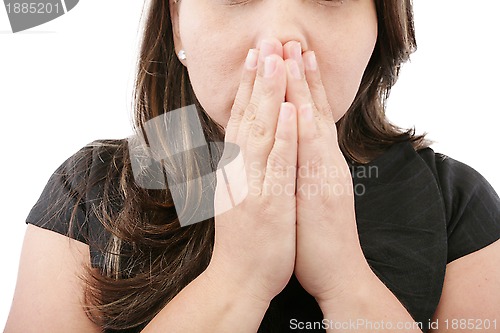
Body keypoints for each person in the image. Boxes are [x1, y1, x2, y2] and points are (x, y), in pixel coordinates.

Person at [4, 0, 500, 332]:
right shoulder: (91, 190)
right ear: (178, 20)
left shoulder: (456, 202)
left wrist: (346, 279)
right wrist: (238, 277)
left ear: (380, 25)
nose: (280, 37)